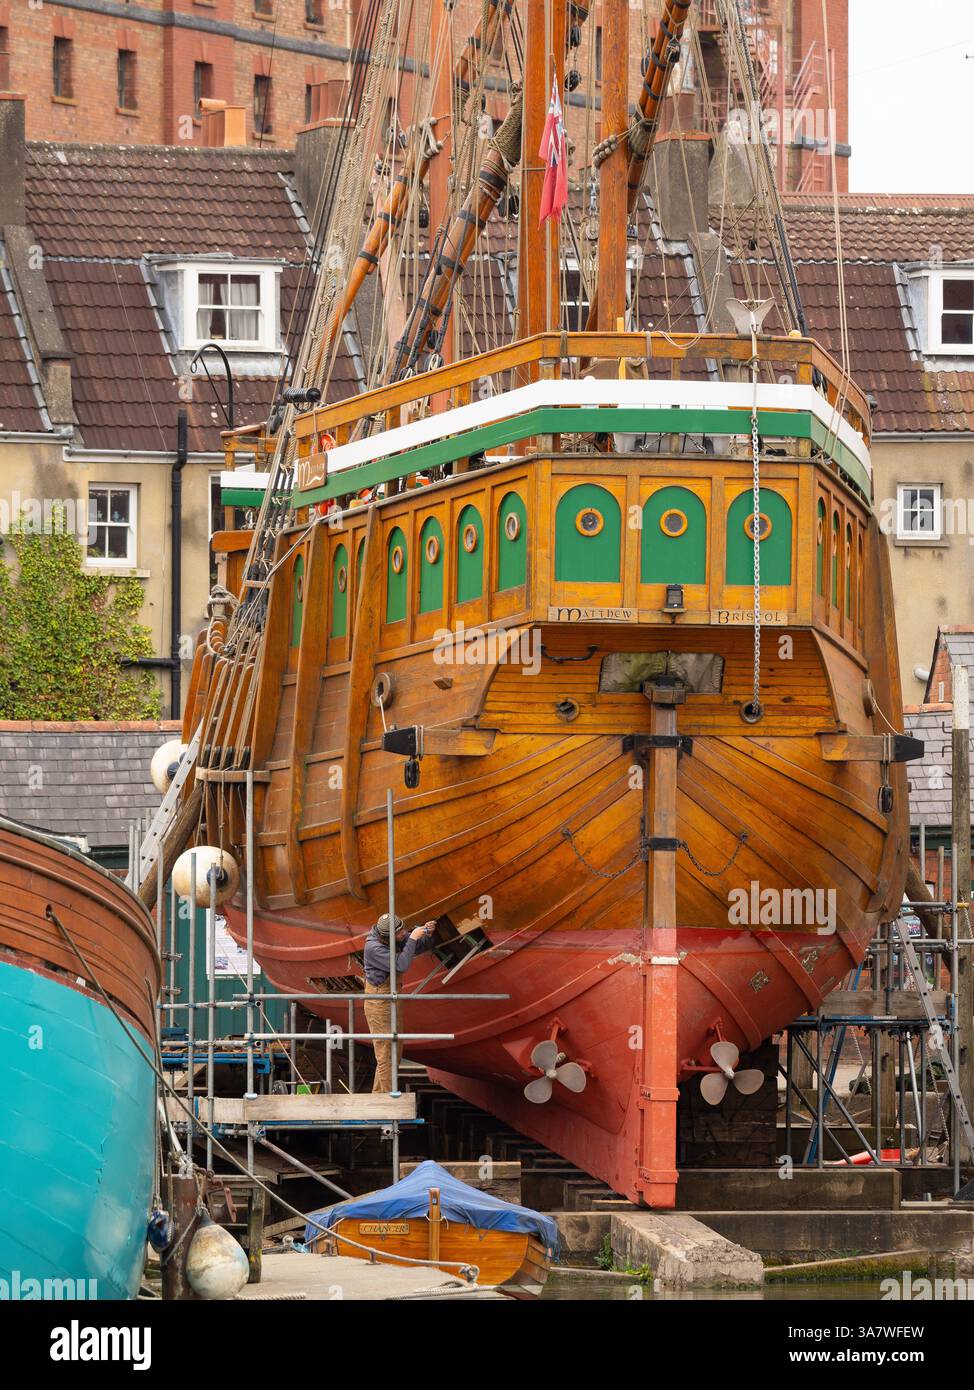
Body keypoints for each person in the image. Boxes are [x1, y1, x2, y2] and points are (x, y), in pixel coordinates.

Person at [363, 913, 436, 1093]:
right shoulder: (373, 947)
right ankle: (387, 1100)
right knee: (385, 1054)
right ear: (388, 936)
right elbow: (401, 964)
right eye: (400, 932)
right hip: (379, 1002)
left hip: (392, 998)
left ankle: (379, 1096)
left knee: (394, 1052)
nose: (404, 932)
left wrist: (427, 934)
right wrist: (412, 937)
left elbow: (415, 948)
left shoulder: (389, 938)